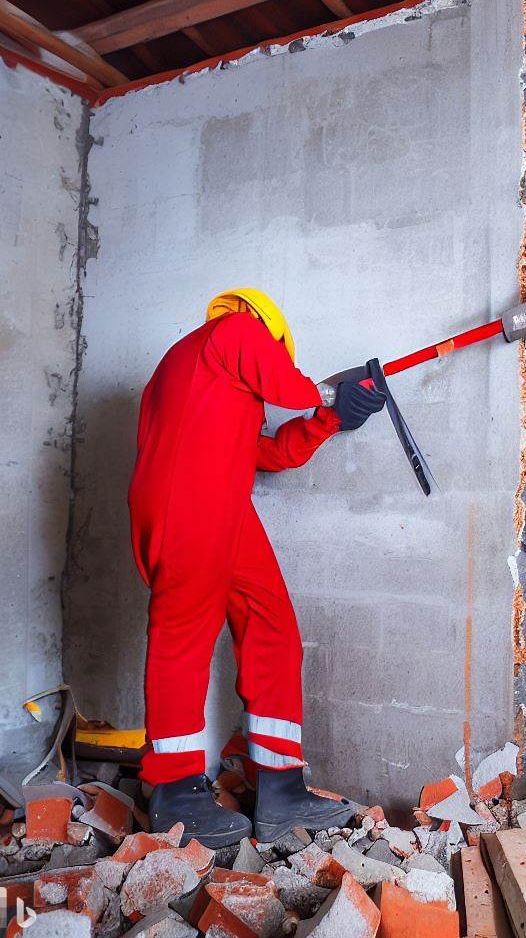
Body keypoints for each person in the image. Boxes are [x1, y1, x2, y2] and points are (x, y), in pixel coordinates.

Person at [128, 289, 386, 846]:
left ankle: (281, 787)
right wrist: (328, 394)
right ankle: (174, 793)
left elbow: (272, 453)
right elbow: (286, 384)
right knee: (185, 632)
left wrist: (332, 419)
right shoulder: (229, 334)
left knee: (273, 628)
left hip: (221, 503)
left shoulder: (217, 390)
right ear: (266, 334)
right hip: (188, 498)